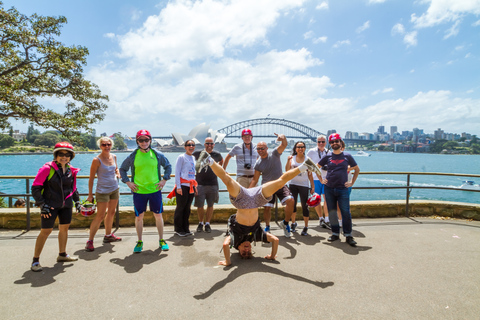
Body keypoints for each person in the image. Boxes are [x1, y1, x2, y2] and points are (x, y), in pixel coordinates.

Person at [195, 150, 322, 266]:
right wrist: (272, 256)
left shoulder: (234, 238)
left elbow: (225, 244)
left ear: (238, 249)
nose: (246, 249)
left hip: (241, 200)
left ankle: (209, 160)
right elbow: (275, 240)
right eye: (249, 251)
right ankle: (305, 166)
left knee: (227, 181)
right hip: (256, 200)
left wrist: (228, 261)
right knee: (280, 182)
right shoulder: (257, 236)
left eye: (243, 252)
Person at [30, 142, 80, 272]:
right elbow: (35, 188)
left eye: (67, 155)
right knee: (45, 231)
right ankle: (35, 260)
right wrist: (42, 204)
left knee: (64, 229)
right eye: (61, 154)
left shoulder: (70, 169)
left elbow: (73, 188)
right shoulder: (47, 169)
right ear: (56, 155)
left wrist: (78, 202)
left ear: (71, 156)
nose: (64, 157)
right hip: (50, 206)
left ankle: (62, 254)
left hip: (66, 205)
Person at [120, 129, 172, 253]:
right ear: (137, 141)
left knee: (158, 215)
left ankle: (161, 240)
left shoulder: (157, 154)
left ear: (150, 140)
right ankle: (139, 241)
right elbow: (122, 169)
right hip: (139, 191)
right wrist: (128, 182)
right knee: (139, 217)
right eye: (141, 140)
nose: (144, 143)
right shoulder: (133, 156)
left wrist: (164, 180)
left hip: (155, 190)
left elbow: (168, 166)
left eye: (146, 140)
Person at [318, 133, 360, 247]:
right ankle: (335, 233)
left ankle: (348, 235)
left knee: (345, 212)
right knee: (332, 212)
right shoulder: (327, 156)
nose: (334, 143)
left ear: (340, 142)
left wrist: (352, 183)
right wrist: (321, 179)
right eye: (332, 142)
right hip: (329, 188)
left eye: (336, 141)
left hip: (343, 189)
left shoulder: (347, 156)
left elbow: (357, 169)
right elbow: (315, 167)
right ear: (330, 144)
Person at [249, 134, 295, 237]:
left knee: (291, 201)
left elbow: (284, 145)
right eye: (258, 149)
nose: (260, 150)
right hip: (267, 187)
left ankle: (285, 223)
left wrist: (283, 138)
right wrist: (248, 191)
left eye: (262, 148)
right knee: (267, 208)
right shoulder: (258, 163)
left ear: (267, 148)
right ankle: (267, 226)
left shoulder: (274, 153)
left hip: (280, 183)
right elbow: (255, 179)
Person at [85, 137, 121, 252]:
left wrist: (118, 173)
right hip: (102, 191)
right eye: (104, 145)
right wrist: (90, 195)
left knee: (111, 212)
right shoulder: (96, 160)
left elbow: (116, 168)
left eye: (108, 144)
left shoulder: (114, 157)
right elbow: (91, 179)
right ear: (100, 146)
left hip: (114, 189)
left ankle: (108, 235)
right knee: (100, 215)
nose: (107, 147)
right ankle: (90, 241)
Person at [193, 137, 223, 233]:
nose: (209, 145)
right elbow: (189, 158)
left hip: (213, 183)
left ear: (214, 145)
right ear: (204, 144)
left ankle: (207, 224)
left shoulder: (216, 154)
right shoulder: (197, 153)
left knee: (211, 205)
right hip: (200, 183)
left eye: (211, 144)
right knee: (200, 205)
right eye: (207, 143)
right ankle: (201, 222)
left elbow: (221, 161)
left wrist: (220, 170)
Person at [285, 141, 315, 236]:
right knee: (292, 206)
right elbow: (287, 170)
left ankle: (306, 226)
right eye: (298, 147)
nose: (300, 148)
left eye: (302, 147)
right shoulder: (291, 158)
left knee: (304, 206)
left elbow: (310, 174)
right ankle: (293, 223)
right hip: (293, 184)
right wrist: (287, 161)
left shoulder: (308, 159)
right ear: (295, 148)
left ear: (305, 148)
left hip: (304, 185)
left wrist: (312, 186)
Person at [169, 139, 197, 236]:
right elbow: (177, 172)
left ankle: (186, 228)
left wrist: (194, 186)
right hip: (183, 186)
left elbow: (193, 174)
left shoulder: (193, 158)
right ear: (185, 147)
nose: (191, 146)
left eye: (193, 145)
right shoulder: (181, 157)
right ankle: (178, 229)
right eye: (189, 145)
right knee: (180, 207)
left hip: (191, 186)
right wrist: (178, 186)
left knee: (187, 208)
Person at [307, 135, 330, 228]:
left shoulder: (329, 152)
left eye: (323, 141)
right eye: (319, 142)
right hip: (315, 179)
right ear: (316, 142)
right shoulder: (311, 151)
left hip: (327, 179)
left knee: (327, 199)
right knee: (317, 199)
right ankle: (321, 218)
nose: (321, 143)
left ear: (326, 142)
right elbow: (307, 163)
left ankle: (327, 218)